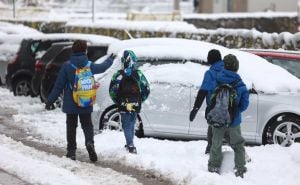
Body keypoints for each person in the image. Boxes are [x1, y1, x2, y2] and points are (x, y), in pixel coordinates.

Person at [45, 40, 114, 162]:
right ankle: (89, 143)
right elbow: (102, 67)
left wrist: (50, 100)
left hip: (71, 103)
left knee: (71, 126)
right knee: (87, 125)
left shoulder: (67, 66)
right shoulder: (89, 65)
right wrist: (110, 59)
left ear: (73, 50)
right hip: (85, 101)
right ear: (85, 50)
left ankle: (71, 152)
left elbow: (58, 86)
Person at [208, 54, 249, 177]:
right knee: (238, 144)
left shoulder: (216, 80)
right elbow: (244, 104)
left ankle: (213, 167)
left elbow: (210, 99)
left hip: (217, 118)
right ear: (236, 67)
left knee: (216, 143)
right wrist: (234, 112)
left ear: (224, 66)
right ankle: (240, 168)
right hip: (234, 120)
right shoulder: (240, 84)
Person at [109, 50, 150, 154]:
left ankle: (131, 145)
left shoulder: (118, 74)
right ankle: (129, 143)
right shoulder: (138, 74)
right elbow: (146, 89)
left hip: (123, 104)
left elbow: (112, 91)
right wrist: (140, 99)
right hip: (135, 103)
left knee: (126, 124)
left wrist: (118, 101)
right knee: (131, 123)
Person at [189, 49, 224, 154]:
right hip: (229, 107)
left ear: (211, 59)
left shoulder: (210, 73)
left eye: (208, 57)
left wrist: (195, 108)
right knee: (228, 131)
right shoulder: (228, 70)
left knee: (213, 127)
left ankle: (211, 150)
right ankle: (240, 153)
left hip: (214, 107)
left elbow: (203, 91)